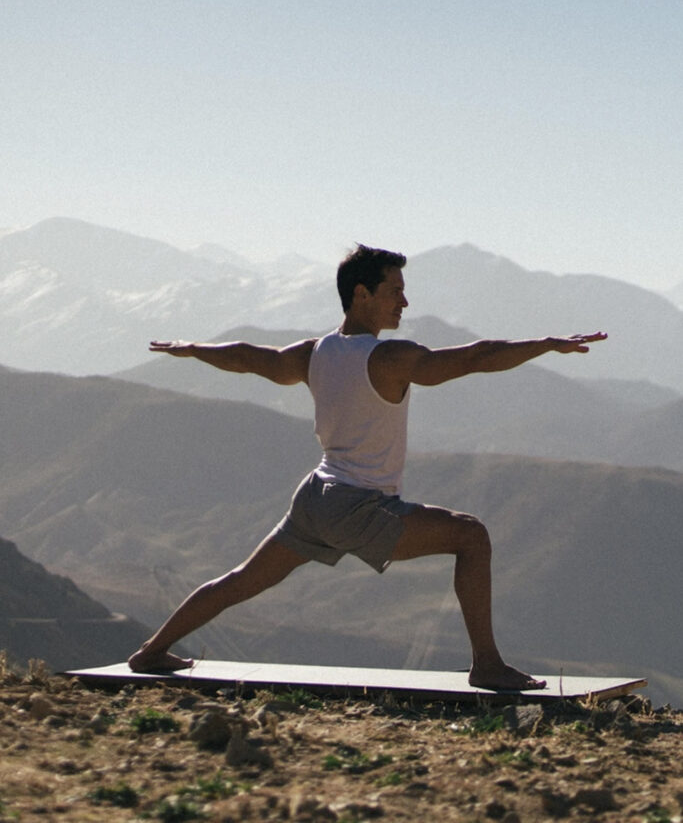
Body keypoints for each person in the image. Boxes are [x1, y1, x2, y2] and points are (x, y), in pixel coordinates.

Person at [128, 244, 606, 690]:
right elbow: (476, 357)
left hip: (316, 496)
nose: (404, 301)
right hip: (357, 506)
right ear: (362, 295)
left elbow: (253, 359)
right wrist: (545, 343)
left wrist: (194, 350)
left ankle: (151, 652)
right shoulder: (390, 357)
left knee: (242, 581)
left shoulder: (313, 352)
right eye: (394, 291)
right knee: (471, 536)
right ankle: (486, 665)